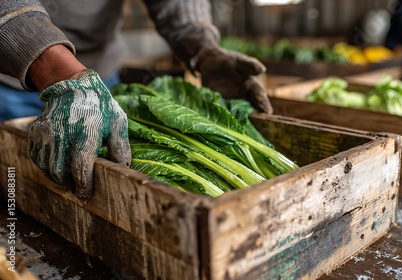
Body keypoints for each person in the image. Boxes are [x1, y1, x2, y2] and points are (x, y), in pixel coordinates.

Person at [0, 0, 272, 200]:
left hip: (100, 81)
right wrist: (58, 71)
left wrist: (202, 47)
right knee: (14, 193)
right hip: (10, 80)